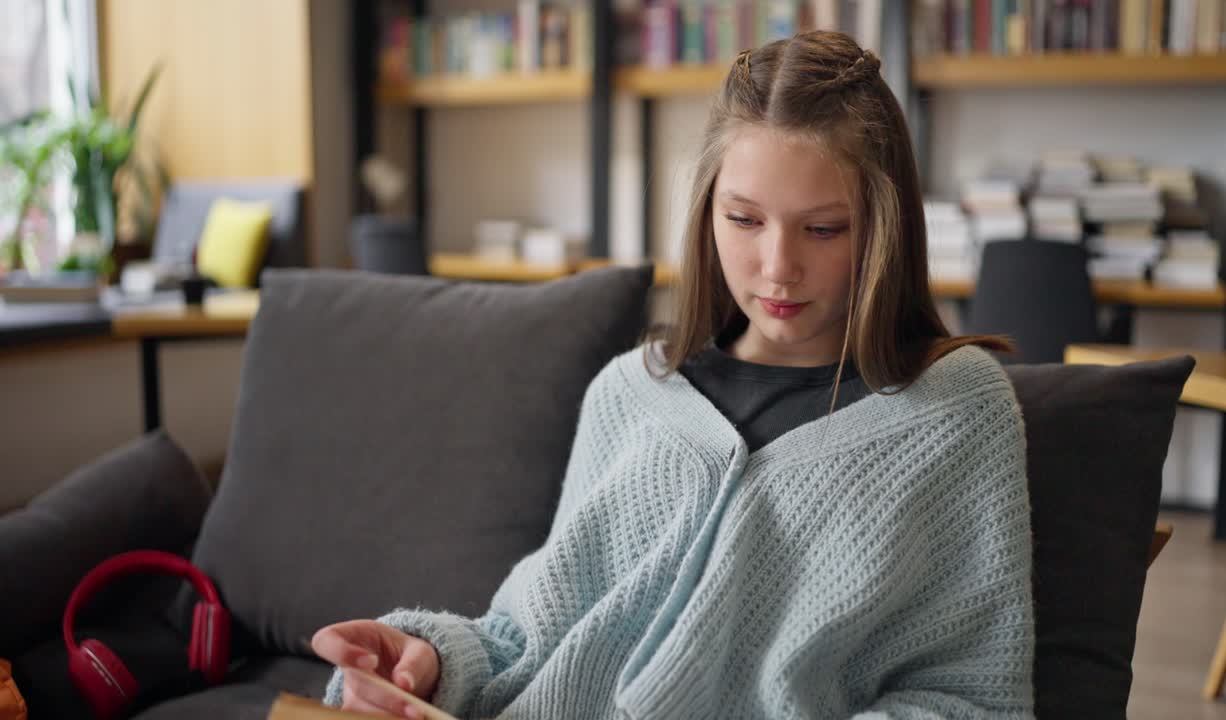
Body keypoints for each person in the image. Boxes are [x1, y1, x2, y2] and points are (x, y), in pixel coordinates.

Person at [312, 30, 1035, 719]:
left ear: (884, 227)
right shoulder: (632, 393)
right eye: (744, 219)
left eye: (823, 228)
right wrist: (423, 661)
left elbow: (970, 699)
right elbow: (523, 638)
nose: (778, 266)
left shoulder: (956, 410)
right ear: (706, 211)